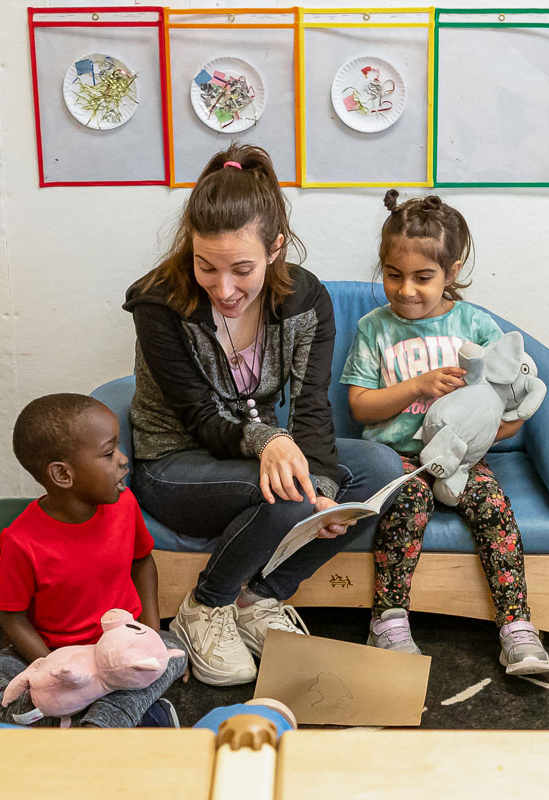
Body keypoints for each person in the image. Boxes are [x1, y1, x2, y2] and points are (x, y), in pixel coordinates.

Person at [123, 144, 403, 687]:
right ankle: (203, 609)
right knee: (288, 493)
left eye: (241, 269)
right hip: (175, 464)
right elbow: (201, 418)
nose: (224, 289)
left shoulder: (304, 301)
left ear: (275, 249)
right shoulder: (161, 304)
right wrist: (275, 449)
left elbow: (311, 408)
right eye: (206, 266)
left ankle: (258, 599)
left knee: (381, 473)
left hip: (256, 456)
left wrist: (321, 488)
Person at [339, 190, 549, 675]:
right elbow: (360, 407)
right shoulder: (376, 329)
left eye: (423, 277)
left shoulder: (475, 326)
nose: (406, 289)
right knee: (408, 506)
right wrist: (415, 386)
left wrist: (494, 430)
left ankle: (517, 626)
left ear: (452, 272)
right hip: (398, 460)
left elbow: (512, 398)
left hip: (463, 460)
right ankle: (388, 620)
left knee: (494, 509)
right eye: (394, 275)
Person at [0, 393, 186, 726]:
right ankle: (101, 718)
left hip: (121, 643)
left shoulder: (124, 504)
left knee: (175, 650)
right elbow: (12, 619)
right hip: (52, 653)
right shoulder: (21, 541)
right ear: (62, 475)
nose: (123, 460)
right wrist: (54, 672)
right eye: (109, 453)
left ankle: (86, 721)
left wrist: (149, 634)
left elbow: (142, 561)